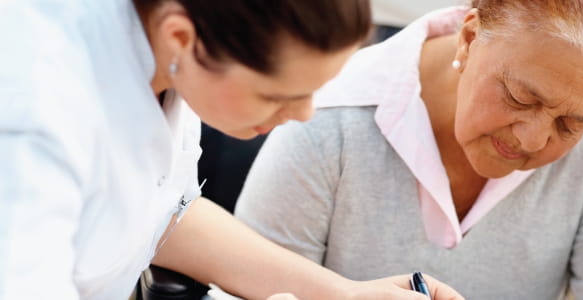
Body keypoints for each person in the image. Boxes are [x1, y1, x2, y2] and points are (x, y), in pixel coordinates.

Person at [0, 0, 461, 299]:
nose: (304, 115)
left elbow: (164, 213)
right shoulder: (33, 115)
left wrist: (342, 295)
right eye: (276, 95)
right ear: (180, 37)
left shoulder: (176, 55)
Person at [235, 1, 583, 299]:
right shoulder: (328, 121)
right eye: (521, 99)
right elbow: (252, 288)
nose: (532, 140)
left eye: (569, 124)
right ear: (469, 37)